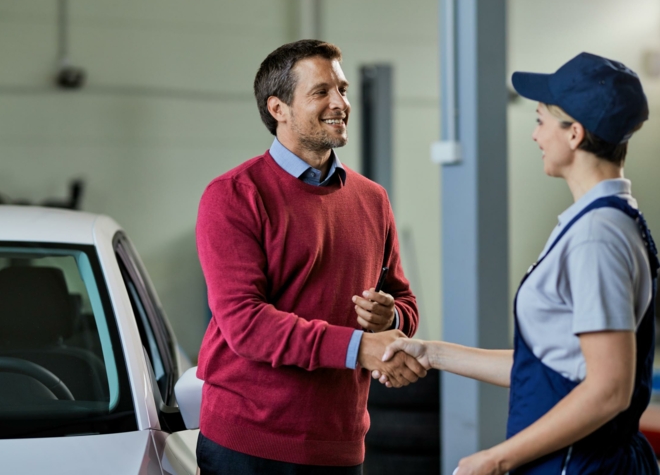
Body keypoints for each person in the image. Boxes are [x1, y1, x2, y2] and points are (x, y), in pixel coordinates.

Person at [379, 52, 660, 474]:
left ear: (575, 134)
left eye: (541, 120)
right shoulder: (603, 222)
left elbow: (610, 389)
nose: (535, 135)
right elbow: (547, 367)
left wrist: (494, 459)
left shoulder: (596, 237)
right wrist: (432, 352)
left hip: (579, 467)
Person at [194, 39, 425, 475]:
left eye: (342, 88)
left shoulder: (372, 199)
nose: (340, 102)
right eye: (321, 91)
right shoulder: (234, 196)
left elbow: (405, 303)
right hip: (248, 446)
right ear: (278, 108)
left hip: (339, 445)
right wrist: (359, 347)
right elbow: (245, 322)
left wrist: (388, 319)